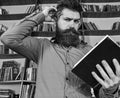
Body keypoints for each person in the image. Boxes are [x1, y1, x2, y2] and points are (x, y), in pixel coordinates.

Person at [0, 0, 120, 98]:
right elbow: (8, 38)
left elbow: (100, 94)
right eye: (67, 20)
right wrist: (41, 16)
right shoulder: (41, 47)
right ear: (55, 21)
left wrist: (110, 89)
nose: (72, 25)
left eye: (76, 21)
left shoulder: (89, 51)